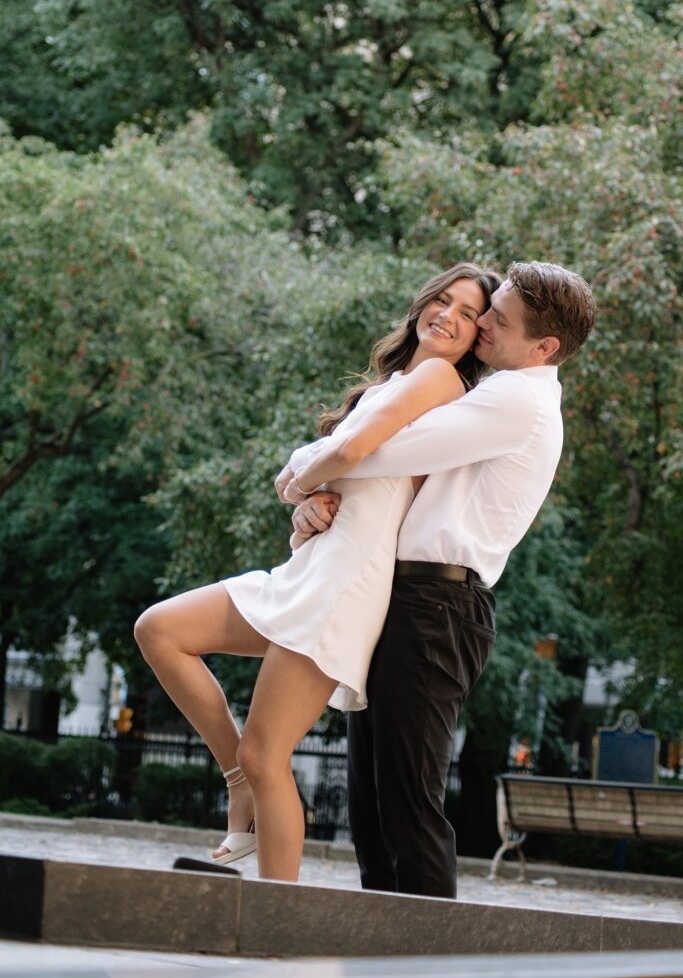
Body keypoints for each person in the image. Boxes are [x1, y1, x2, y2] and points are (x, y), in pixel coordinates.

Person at [134, 262, 501, 883]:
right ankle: (238, 785)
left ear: (475, 341)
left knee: (267, 752)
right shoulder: (389, 384)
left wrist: (298, 483)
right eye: (443, 300)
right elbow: (333, 469)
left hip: (345, 583)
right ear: (420, 306)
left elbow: (350, 453)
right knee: (160, 631)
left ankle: (279, 920)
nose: (449, 316)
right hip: (311, 567)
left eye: (468, 314)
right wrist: (307, 499)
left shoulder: (440, 378)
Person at [287, 260, 597, 899]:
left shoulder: (518, 398)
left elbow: (378, 450)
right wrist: (307, 492)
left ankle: (431, 961)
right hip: (409, 597)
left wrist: (296, 472)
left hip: (438, 605)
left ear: (545, 347)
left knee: (407, 803)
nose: (481, 322)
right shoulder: (502, 391)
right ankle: (386, 955)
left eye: (498, 319)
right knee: (374, 807)